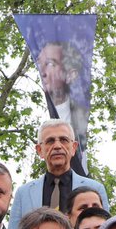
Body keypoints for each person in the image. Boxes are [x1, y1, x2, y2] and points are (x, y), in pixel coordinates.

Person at [8, 120, 109, 229]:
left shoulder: (95, 189)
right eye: (50, 141)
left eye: (63, 140)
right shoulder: (24, 193)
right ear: (39, 150)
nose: (57, 146)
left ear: (74, 147)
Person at [35, 41, 90, 174]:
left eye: (49, 64)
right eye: (39, 64)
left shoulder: (81, 116)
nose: (42, 72)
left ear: (70, 74)